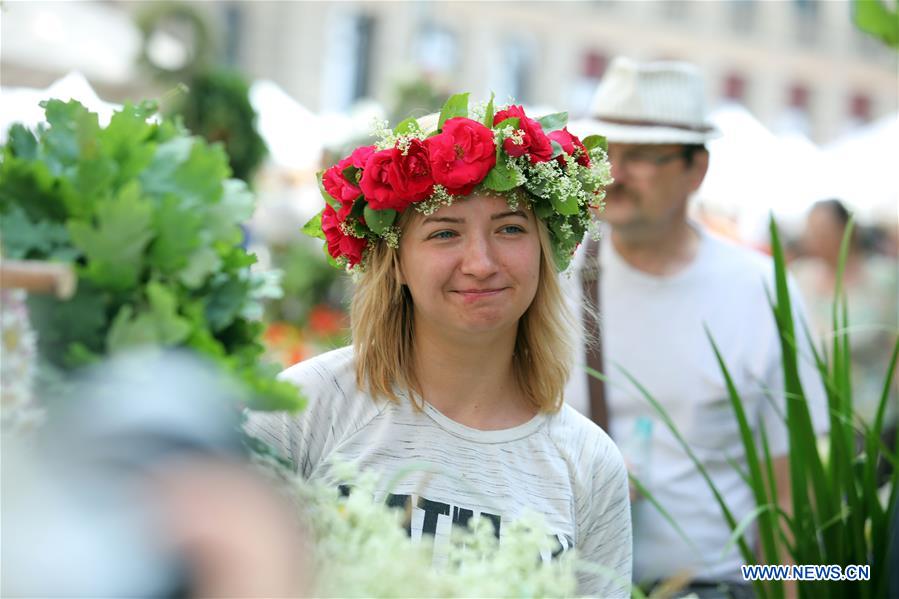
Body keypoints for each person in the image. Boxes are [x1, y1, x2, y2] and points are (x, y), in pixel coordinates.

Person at [246, 98, 632, 596]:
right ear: (397, 263)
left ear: (546, 251)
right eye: (444, 233)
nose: (480, 262)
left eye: (510, 228)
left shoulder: (588, 463)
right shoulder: (299, 411)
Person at [566, 57, 827, 596]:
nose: (613, 171)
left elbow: (788, 490)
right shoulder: (549, 279)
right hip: (570, 578)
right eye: (603, 152)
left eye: (639, 156)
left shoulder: (761, 289)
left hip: (717, 583)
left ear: (696, 169)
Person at [791, 198, 898, 427]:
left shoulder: (884, 278)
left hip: (875, 416)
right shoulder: (801, 278)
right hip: (819, 416)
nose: (816, 239)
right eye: (811, 231)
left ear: (848, 229)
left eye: (823, 231)